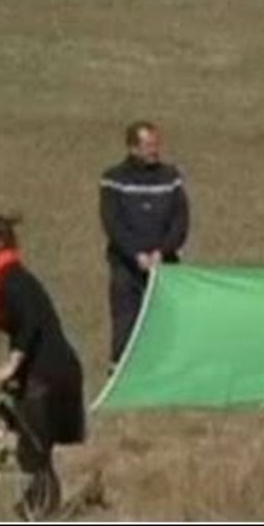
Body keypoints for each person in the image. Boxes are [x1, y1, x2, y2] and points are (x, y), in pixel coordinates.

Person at [0, 213, 86, 520]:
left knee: (33, 449)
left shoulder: (11, 280)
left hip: (49, 371)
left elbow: (31, 321)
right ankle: (39, 508)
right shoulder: (7, 278)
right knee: (32, 448)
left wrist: (12, 365)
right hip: (44, 368)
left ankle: (38, 510)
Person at [100, 121, 189, 374]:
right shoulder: (113, 179)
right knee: (126, 318)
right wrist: (136, 254)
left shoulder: (171, 177)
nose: (154, 150)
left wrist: (162, 251)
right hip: (126, 265)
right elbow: (113, 222)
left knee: (167, 318)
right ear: (132, 148)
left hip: (164, 263)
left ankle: (166, 368)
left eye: (156, 144)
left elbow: (180, 220)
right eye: (148, 145)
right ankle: (121, 369)